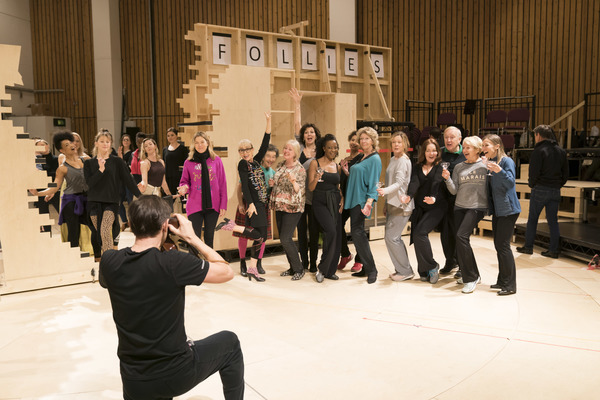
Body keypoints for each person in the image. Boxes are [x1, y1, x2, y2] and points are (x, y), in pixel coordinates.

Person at [99, 195, 244, 400]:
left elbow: (114, 279)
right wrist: (191, 237)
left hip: (133, 380)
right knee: (230, 342)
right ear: (165, 225)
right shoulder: (173, 262)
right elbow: (226, 272)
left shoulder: (109, 261)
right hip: (175, 373)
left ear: (131, 225)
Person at [218, 113, 272, 282]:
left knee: (259, 235)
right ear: (239, 153)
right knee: (259, 234)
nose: (245, 152)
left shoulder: (256, 162)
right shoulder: (242, 164)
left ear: (252, 150)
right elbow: (245, 185)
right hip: (254, 203)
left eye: (247, 149)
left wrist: (268, 122)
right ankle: (252, 268)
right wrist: (251, 203)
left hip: (262, 202)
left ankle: (252, 269)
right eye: (242, 150)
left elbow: (265, 143)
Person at [84, 129, 141, 256]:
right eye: (102, 141)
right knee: (99, 234)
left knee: (105, 230)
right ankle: (105, 259)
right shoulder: (89, 163)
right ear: (96, 143)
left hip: (111, 202)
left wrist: (140, 196)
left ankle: (109, 261)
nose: (105, 144)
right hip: (94, 202)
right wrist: (100, 170)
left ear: (111, 144)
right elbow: (89, 184)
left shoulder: (117, 161)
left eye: (108, 142)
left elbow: (128, 180)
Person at [443, 136, 488, 294]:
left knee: (461, 237)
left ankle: (470, 278)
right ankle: (474, 274)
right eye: (465, 147)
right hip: (459, 207)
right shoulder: (459, 167)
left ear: (477, 149)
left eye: (469, 147)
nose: (466, 150)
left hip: (476, 207)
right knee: (461, 240)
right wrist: (448, 179)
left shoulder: (484, 166)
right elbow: (454, 190)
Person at [32, 131, 92, 248]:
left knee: (93, 228)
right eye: (66, 145)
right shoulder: (62, 168)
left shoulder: (86, 160)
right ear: (62, 151)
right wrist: (38, 193)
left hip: (86, 199)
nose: (71, 145)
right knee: (73, 231)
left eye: (71, 143)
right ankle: (74, 257)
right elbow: (55, 186)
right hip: (70, 201)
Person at [516, 125, 568, 258]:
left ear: (538, 135)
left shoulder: (539, 151)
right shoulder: (561, 151)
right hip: (555, 190)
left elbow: (534, 172)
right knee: (553, 221)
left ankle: (528, 247)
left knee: (532, 219)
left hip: (540, 189)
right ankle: (554, 250)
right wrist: (558, 184)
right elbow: (566, 173)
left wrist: (532, 185)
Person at [483, 134, 521, 296]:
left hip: (508, 209)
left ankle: (510, 285)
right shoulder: (492, 163)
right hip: (499, 210)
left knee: (503, 246)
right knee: (499, 246)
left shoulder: (506, 161)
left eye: (487, 146)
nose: (484, 149)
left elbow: (511, 182)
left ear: (497, 146)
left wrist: (499, 171)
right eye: (483, 146)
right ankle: (502, 280)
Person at [343, 127, 382, 284]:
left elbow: (374, 182)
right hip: (353, 199)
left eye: (367, 138)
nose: (363, 141)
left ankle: (372, 269)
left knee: (357, 233)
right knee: (357, 233)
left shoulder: (375, 159)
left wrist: (369, 202)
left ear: (373, 140)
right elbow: (359, 175)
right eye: (362, 139)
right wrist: (348, 172)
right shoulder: (362, 157)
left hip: (361, 201)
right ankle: (366, 267)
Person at [405, 138, 447, 284]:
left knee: (420, 233)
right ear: (424, 152)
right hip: (421, 207)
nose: (431, 153)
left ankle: (432, 266)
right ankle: (423, 270)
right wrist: (409, 196)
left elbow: (436, 183)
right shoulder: (417, 167)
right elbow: (414, 182)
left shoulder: (440, 166)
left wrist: (434, 198)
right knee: (417, 237)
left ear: (438, 152)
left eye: (434, 150)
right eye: (428, 150)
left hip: (437, 207)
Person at [290, 88, 322, 272]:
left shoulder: (320, 151)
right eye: (306, 132)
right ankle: (304, 263)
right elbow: (297, 124)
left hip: (315, 196)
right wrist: (297, 104)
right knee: (301, 232)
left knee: (314, 231)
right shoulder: (300, 148)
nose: (309, 134)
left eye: (312, 132)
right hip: (300, 197)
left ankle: (314, 262)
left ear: (316, 135)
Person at [233, 144, 277, 276]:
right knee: (244, 235)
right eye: (268, 155)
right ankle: (242, 262)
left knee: (262, 236)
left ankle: (258, 262)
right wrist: (241, 204)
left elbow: (270, 192)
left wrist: (273, 186)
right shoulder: (252, 166)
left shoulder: (273, 172)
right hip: (248, 204)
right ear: (263, 156)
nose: (270, 158)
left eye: (274, 156)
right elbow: (241, 187)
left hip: (262, 205)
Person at [178, 131, 227, 248]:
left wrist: (223, 205)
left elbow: (222, 183)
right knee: (194, 239)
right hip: (195, 205)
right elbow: (184, 181)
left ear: (207, 143)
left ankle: (209, 265)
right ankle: (195, 265)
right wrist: (184, 187)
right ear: (193, 145)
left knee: (209, 238)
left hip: (213, 205)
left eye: (202, 142)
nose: (199, 145)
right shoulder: (188, 162)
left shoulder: (216, 160)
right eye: (196, 143)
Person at [377, 131, 415, 281]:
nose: (396, 145)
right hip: (392, 203)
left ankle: (405, 271)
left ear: (405, 144)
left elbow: (399, 183)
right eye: (393, 142)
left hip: (401, 204)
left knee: (392, 238)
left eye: (399, 142)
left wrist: (384, 191)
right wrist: (386, 202)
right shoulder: (393, 159)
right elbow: (391, 180)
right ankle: (402, 269)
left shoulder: (404, 161)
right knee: (392, 238)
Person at [309, 134, 344, 282]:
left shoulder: (337, 167)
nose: (333, 150)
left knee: (336, 235)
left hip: (335, 201)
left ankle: (330, 270)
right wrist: (317, 178)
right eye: (330, 147)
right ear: (323, 148)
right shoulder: (315, 163)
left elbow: (338, 186)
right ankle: (322, 269)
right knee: (330, 231)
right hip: (320, 202)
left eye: (335, 148)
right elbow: (311, 187)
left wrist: (342, 198)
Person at [271, 140, 306, 280]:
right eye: (285, 148)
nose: (286, 151)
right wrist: (272, 183)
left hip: (293, 207)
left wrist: (293, 181)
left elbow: (300, 190)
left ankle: (299, 269)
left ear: (295, 153)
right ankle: (292, 268)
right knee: (283, 239)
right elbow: (277, 182)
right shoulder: (280, 165)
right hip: (279, 205)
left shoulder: (300, 169)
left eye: (289, 149)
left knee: (286, 238)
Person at [438, 126, 466, 278]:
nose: (448, 140)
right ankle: (450, 261)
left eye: (452, 137)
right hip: (443, 201)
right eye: (446, 137)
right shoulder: (440, 152)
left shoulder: (465, 154)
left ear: (459, 139)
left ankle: (463, 266)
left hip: (459, 201)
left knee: (459, 234)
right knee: (446, 233)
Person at [338, 131, 363, 272]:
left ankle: (360, 260)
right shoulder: (344, 160)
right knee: (337, 224)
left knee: (357, 229)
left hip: (357, 199)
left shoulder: (362, 159)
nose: (354, 142)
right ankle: (345, 254)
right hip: (345, 199)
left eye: (356, 140)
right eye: (352, 139)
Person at [163, 127, 188, 213]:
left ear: (176, 136)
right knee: (169, 200)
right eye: (168, 135)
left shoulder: (183, 149)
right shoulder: (165, 150)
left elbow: (186, 165)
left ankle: (184, 220)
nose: (170, 137)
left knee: (182, 200)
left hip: (179, 178)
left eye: (172, 135)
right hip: (168, 179)